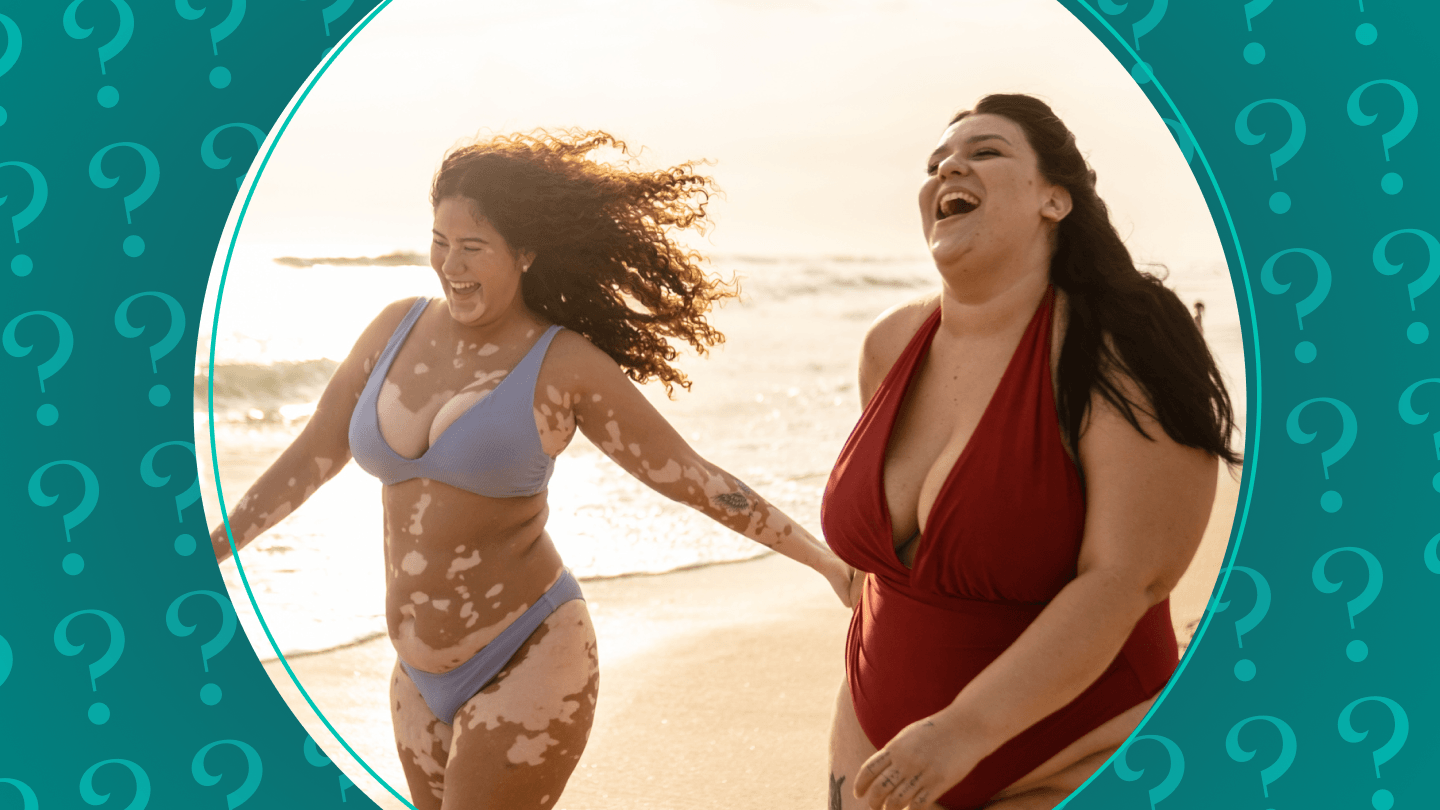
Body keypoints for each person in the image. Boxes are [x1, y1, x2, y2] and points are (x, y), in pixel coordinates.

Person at [209, 129, 858, 810]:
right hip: (414, 672)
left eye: (473, 246)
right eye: (439, 241)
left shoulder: (563, 364)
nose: (450, 264)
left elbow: (695, 478)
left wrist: (825, 564)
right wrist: (211, 545)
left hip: (529, 653)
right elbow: (309, 458)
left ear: (524, 253)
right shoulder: (393, 327)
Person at [821, 95, 1239, 810]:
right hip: (880, 764)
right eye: (936, 164)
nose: (949, 165)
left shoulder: (1119, 346)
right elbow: (893, 570)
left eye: (985, 151)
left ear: (1055, 198)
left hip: (1072, 760)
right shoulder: (887, 346)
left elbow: (1127, 580)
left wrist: (961, 731)